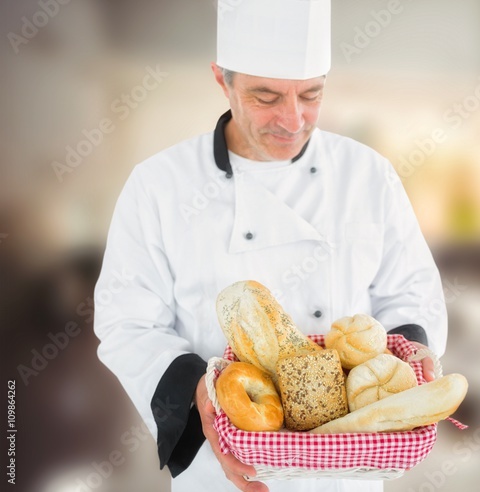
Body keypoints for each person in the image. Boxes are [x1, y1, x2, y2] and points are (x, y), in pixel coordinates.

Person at [93, 1, 447, 490]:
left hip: (348, 473)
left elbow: (409, 292)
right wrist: (198, 392)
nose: (293, 119)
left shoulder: (368, 176)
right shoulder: (159, 185)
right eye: (266, 96)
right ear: (222, 79)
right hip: (222, 473)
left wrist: (415, 353)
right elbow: (127, 322)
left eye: (311, 94)